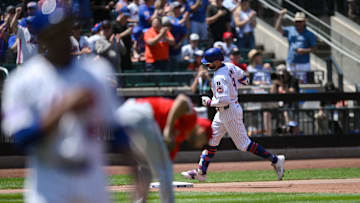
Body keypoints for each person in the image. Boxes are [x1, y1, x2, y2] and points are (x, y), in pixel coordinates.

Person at [2, 4, 129, 203]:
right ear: (42, 38)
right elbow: (22, 138)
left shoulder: (96, 73)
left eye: (65, 29)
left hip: (92, 179)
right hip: (49, 180)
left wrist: (137, 171)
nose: (62, 37)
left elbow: (118, 132)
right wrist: (64, 107)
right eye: (55, 32)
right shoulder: (22, 81)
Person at [181, 48, 285, 181]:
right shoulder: (229, 66)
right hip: (225, 110)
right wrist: (233, 87)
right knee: (211, 141)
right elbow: (245, 79)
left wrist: (208, 102)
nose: (207, 65)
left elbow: (223, 99)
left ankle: (276, 160)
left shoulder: (219, 77)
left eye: (209, 63)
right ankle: (201, 172)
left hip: (229, 110)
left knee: (243, 145)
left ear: (217, 61)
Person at [116, 94, 212, 202]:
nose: (200, 145)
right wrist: (168, 128)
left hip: (124, 114)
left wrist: (168, 133)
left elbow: (166, 158)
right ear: (202, 131)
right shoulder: (192, 119)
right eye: (203, 141)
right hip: (141, 113)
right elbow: (182, 100)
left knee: (146, 167)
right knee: (165, 171)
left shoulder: (178, 139)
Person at [275, 10, 317, 83]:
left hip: (303, 63)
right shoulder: (290, 30)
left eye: (300, 21)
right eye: (296, 21)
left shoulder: (309, 34)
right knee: (290, 82)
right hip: (291, 62)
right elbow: (278, 28)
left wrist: (304, 51)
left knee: (303, 83)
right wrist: (280, 16)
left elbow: (314, 48)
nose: (298, 23)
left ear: (304, 22)